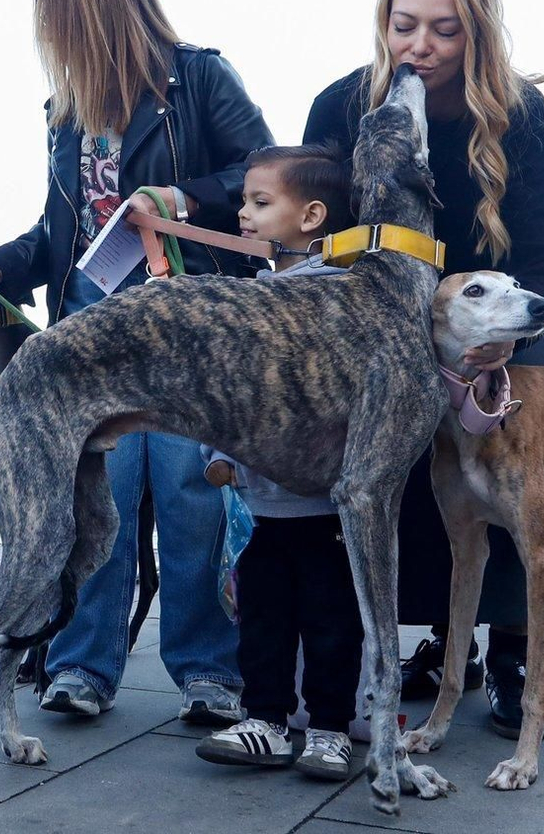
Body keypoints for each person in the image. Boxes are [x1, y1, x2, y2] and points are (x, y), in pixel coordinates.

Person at [0, 0, 274, 725]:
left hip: (185, 333)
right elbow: (58, 232)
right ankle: (81, 664)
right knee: (98, 503)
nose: (48, 40)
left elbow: (269, 176)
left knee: (195, 496)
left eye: (55, 22)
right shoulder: (66, 118)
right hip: (91, 343)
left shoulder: (196, 78)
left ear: (90, 14)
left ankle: (209, 668)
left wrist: (182, 197)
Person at [303, 0, 544, 739]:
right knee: (380, 443)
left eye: (444, 30)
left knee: (498, 453)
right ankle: (421, 638)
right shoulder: (342, 106)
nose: (419, 45)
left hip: (510, 309)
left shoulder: (523, 115)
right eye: (404, 26)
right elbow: (315, 227)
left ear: (477, 37)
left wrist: (504, 337)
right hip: (392, 313)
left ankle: (513, 649)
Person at [191, 146, 361, 780]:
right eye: (244, 201)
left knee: (331, 622)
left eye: (260, 203)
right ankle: (264, 718)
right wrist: (218, 454)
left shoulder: (339, 296)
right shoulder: (253, 295)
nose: (243, 213)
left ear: (312, 216)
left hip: (327, 510)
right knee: (262, 618)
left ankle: (329, 729)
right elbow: (225, 393)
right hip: (263, 509)